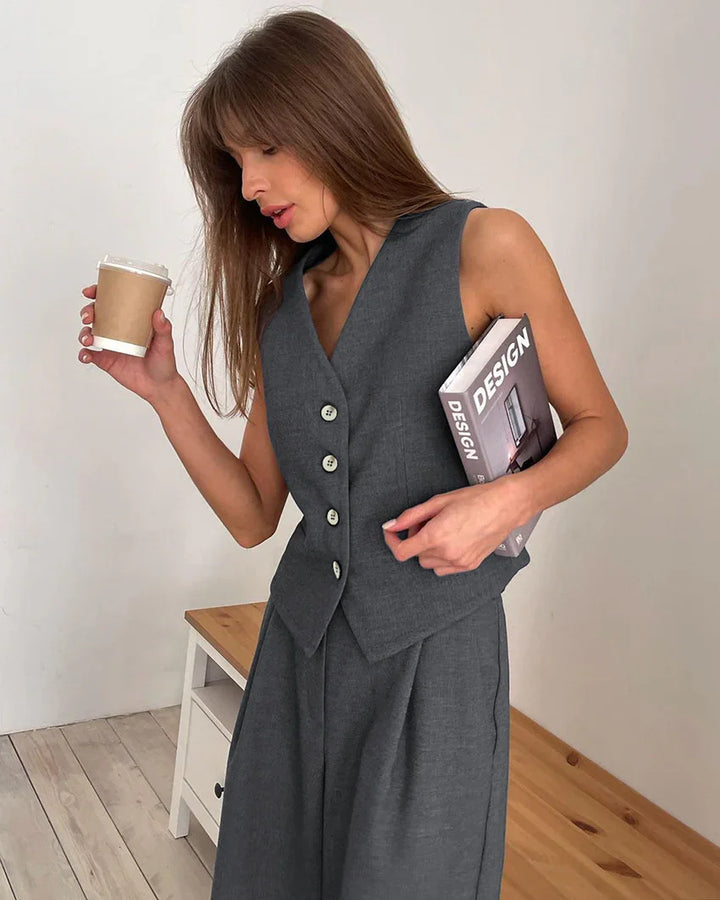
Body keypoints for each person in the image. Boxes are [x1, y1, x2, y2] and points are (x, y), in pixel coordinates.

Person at [77, 9, 628, 899]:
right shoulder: (279, 308)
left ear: (334, 113)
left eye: (265, 149)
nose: (250, 185)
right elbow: (258, 515)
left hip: (434, 665)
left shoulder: (485, 245)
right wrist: (165, 393)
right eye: (235, 165)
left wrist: (507, 501)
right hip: (298, 660)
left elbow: (602, 425)